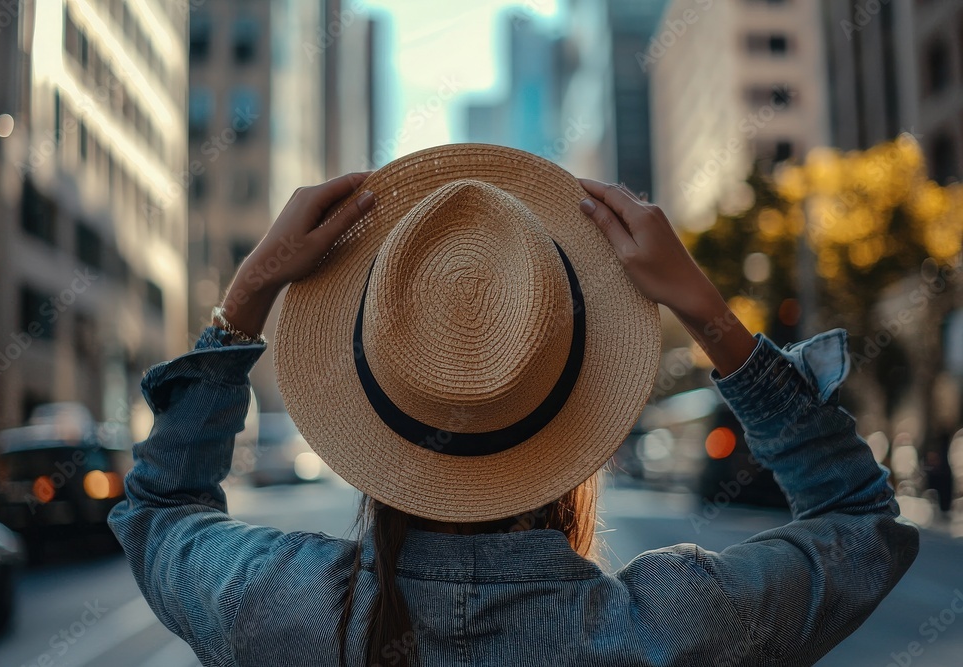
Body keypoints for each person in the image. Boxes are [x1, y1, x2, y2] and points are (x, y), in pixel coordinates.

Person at [108, 145, 919, 667]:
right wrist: (710, 314)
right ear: (568, 419)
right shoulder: (680, 626)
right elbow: (860, 522)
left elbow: (157, 508)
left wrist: (248, 294)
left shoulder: (276, 608)